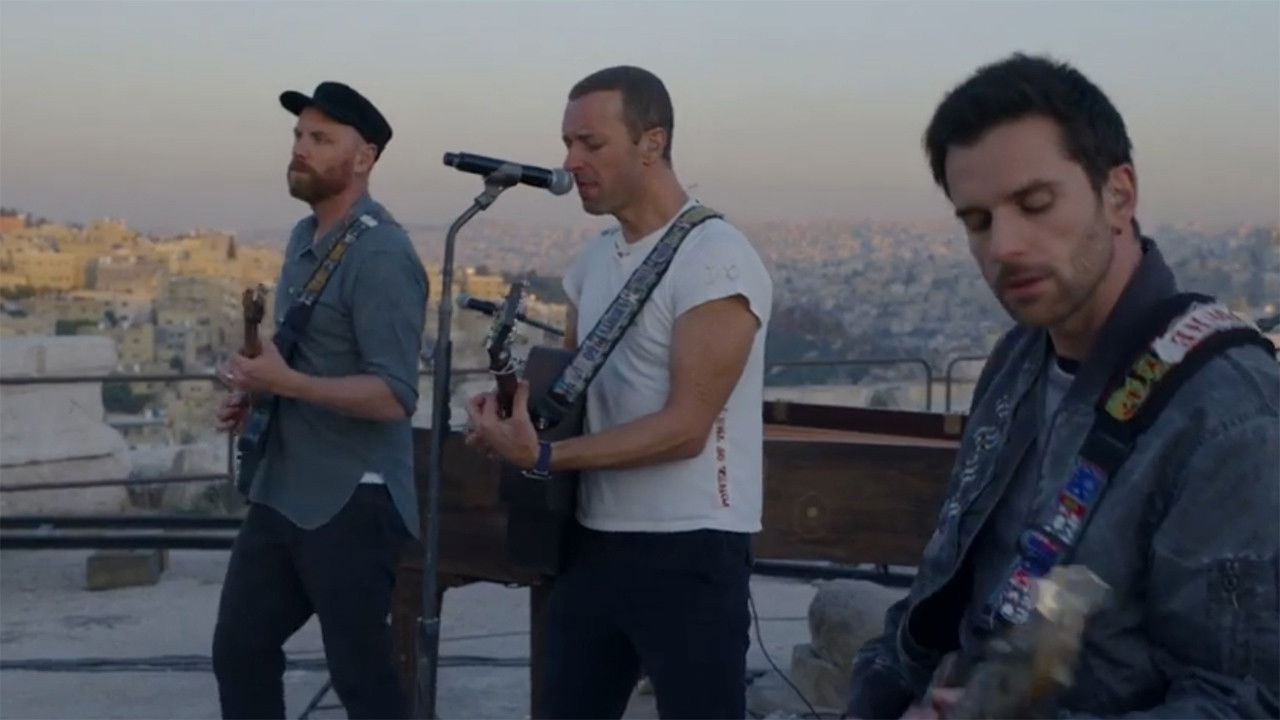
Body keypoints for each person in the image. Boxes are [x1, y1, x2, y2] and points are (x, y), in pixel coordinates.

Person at [845, 53, 1279, 719]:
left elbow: (1243, 701)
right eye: (978, 221)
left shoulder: (1227, 413)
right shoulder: (1018, 360)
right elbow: (952, 585)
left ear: (1119, 194)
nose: (1004, 246)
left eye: (1035, 204)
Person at [464, 65, 773, 719]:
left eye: (591, 143)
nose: (570, 161)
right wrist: (511, 413)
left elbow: (685, 429)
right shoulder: (594, 260)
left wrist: (544, 457)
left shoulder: (716, 259)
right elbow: (574, 397)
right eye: (567, 143)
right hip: (594, 540)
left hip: (690, 546)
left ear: (651, 143)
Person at [212, 81, 427, 719]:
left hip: (352, 496)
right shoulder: (305, 237)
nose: (301, 148)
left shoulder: (383, 254)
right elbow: (303, 355)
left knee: (361, 678)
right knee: (241, 649)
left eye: (321, 138)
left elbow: (395, 394)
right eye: (299, 136)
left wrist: (287, 384)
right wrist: (259, 389)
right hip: (284, 488)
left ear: (363, 158)